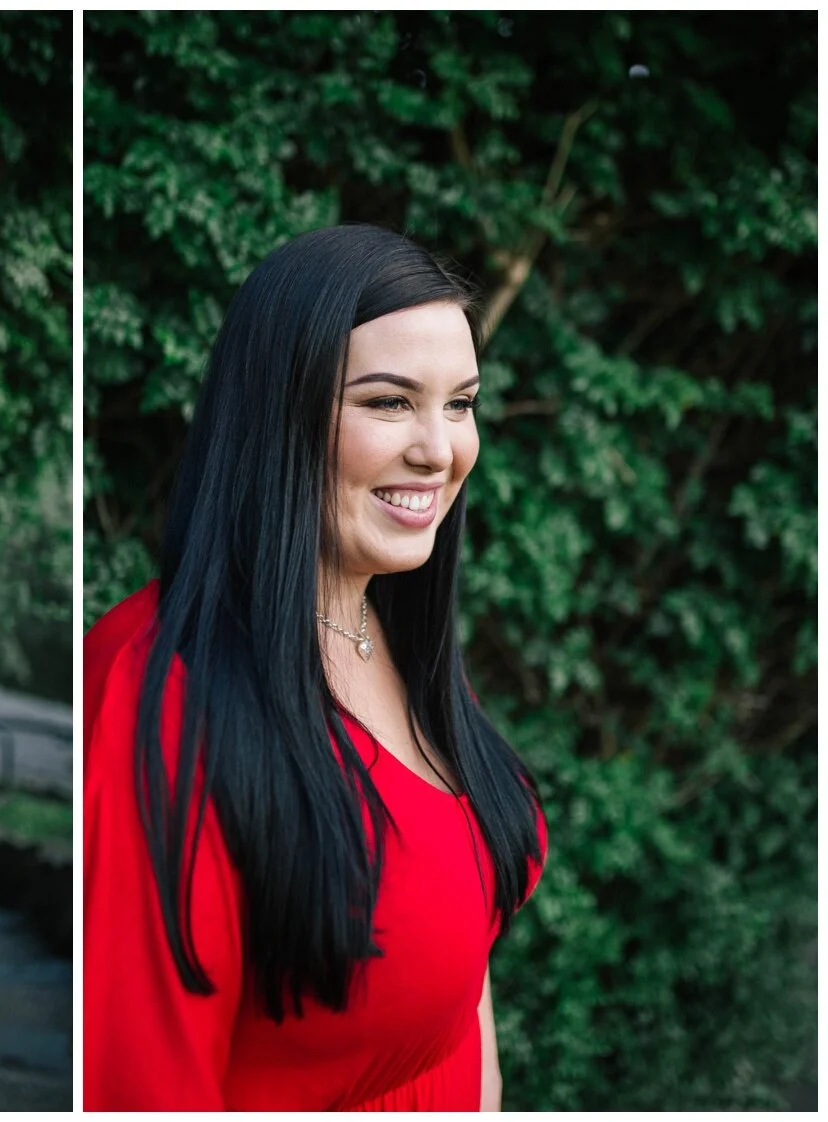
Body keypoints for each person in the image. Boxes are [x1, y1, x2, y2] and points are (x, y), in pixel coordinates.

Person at [84, 225, 548, 1111]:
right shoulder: (157, 694)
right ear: (277, 409)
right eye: (387, 402)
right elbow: (144, 1082)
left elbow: (465, 959)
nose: (440, 450)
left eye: (461, 403)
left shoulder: (393, 637)